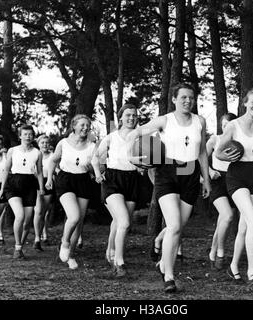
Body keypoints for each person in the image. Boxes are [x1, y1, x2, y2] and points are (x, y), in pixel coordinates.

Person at [127, 83, 211, 293]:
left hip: (190, 173)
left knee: (178, 227)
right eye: (183, 97)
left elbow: (202, 153)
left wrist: (206, 179)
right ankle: (169, 276)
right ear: (174, 99)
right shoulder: (165, 120)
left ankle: (162, 257)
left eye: (191, 98)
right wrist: (132, 157)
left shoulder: (199, 121)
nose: (187, 101)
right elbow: (134, 133)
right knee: (173, 225)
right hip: (167, 171)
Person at [215, 88, 253, 286]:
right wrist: (229, 156)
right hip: (237, 177)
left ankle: (233, 266)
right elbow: (217, 153)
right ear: (245, 103)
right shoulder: (233, 125)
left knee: (244, 227)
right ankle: (252, 271)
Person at [92, 104, 140, 278]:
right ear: (120, 117)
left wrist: (144, 166)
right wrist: (98, 174)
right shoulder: (111, 137)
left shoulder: (141, 136)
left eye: (134, 115)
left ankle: (110, 251)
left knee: (119, 222)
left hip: (133, 180)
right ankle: (119, 262)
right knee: (124, 222)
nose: (131, 118)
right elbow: (95, 158)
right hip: (112, 180)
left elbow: (151, 158)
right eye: (128, 115)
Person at [46, 115, 95, 270]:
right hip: (65, 180)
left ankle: (71, 256)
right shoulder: (64, 143)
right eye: (82, 125)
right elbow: (53, 160)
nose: (85, 128)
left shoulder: (92, 145)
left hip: (84, 181)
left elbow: (99, 167)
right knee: (74, 216)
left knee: (79, 223)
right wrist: (48, 179)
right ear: (74, 126)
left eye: (88, 125)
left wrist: (93, 169)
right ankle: (65, 242)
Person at [0, 125, 44, 259]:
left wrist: (41, 188)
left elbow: (40, 172)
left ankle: (20, 247)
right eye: (25, 134)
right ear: (20, 136)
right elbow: (6, 170)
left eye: (30, 134)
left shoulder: (37, 152)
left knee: (27, 220)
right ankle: (17, 247)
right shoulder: (12, 151)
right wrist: (2, 188)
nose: (28, 136)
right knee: (19, 215)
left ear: (33, 136)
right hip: (14, 184)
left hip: (30, 185)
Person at [207, 113, 238, 270]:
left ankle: (212, 252)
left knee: (224, 220)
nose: (227, 127)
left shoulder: (239, 143)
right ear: (221, 126)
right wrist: (210, 171)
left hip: (233, 181)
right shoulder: (215, 139)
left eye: (230, 124)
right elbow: (201, 159)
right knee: (227, 215)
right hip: (217, 180)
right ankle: (220, 252)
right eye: (224, 124)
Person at [33, 135, 55, 251]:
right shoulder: (35, 154)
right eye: (42, 143)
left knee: (43, 213)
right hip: (35, 184)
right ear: (38, 144)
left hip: (48, 184)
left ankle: (42, 235)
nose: (45, 145)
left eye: (47, 143)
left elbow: (56, 169)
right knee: (38, 211)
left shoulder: (52, 156)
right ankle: (37, 238)